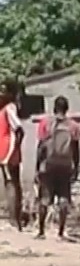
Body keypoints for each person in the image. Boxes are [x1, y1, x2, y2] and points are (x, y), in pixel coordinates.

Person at [34, 96, 79, 240]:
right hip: (65, 166)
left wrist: (37, 167)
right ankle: (60, 232)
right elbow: (76, 149)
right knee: (64, 198)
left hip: (48, 166)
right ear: (67, 109)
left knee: (45, 198)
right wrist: (75, 166)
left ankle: (41, 232)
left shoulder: (45, 123)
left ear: (54, 108)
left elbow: (41, 147)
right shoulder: (73, 126)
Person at [1, 83, 23, 230]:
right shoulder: (7, 108)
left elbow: (18, 128)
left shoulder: (9, 108)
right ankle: (14, 219)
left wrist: (15, 147)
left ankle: (14, 220)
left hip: (8, 149)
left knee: (12, 183)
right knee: (12, 183)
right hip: (7, 150)